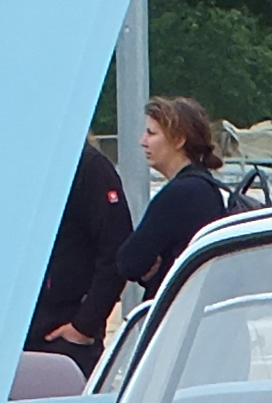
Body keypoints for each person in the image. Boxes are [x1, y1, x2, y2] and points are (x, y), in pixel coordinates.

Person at [112, 96, 231, 303]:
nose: (143, 141)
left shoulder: (180, 194)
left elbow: (129, 262)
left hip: (182, 317)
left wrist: (153, 266)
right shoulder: (205, 187)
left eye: (151, 133)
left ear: (179, 140)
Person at [27, 141, 135, 359]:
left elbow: (116, 248)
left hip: (61, 329)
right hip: (13, 332)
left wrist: (85, 324)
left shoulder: (89, 166)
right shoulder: (19, 164)